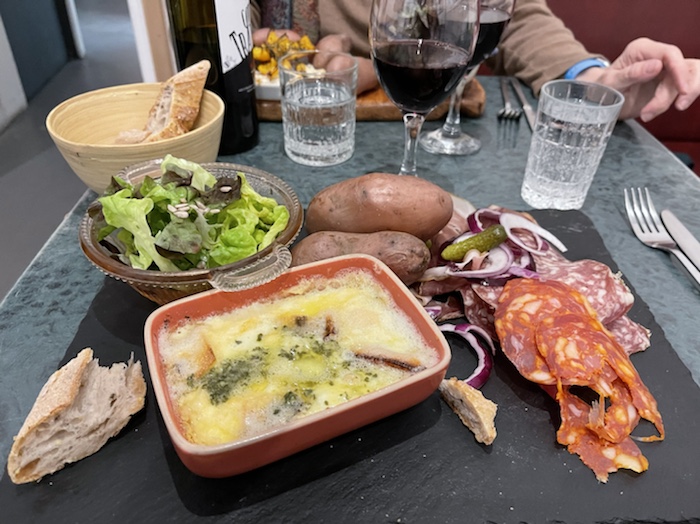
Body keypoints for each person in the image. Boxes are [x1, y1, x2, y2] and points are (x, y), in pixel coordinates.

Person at [250, 0, 700, 122]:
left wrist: (594, 82)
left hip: (424, 117)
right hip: (274, 119)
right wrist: (247, 38)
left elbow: (517, 19)